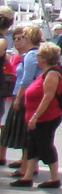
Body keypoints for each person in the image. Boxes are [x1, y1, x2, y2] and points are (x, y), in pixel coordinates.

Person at [13, 41, 62, 189]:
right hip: (38, 117)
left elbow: (48, 97)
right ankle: (28, 176)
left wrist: (35, 116)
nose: (36, 58)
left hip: (46, 117)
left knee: (45, 146)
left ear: (45, 58)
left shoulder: (52, 74)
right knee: (32, 145)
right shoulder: (46, 72)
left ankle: (54, 178)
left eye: (39, 55)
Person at [0, 27, 37, 171]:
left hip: (24, 96)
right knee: (19, 129)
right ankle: (26, 164)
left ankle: (27, 167)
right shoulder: (21, 56)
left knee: (25, 131)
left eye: (21, 38)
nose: (16, 41)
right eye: (14, 39)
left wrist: (18, 97)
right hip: (15, 93)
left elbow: (26, 79)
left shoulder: (30, 56)